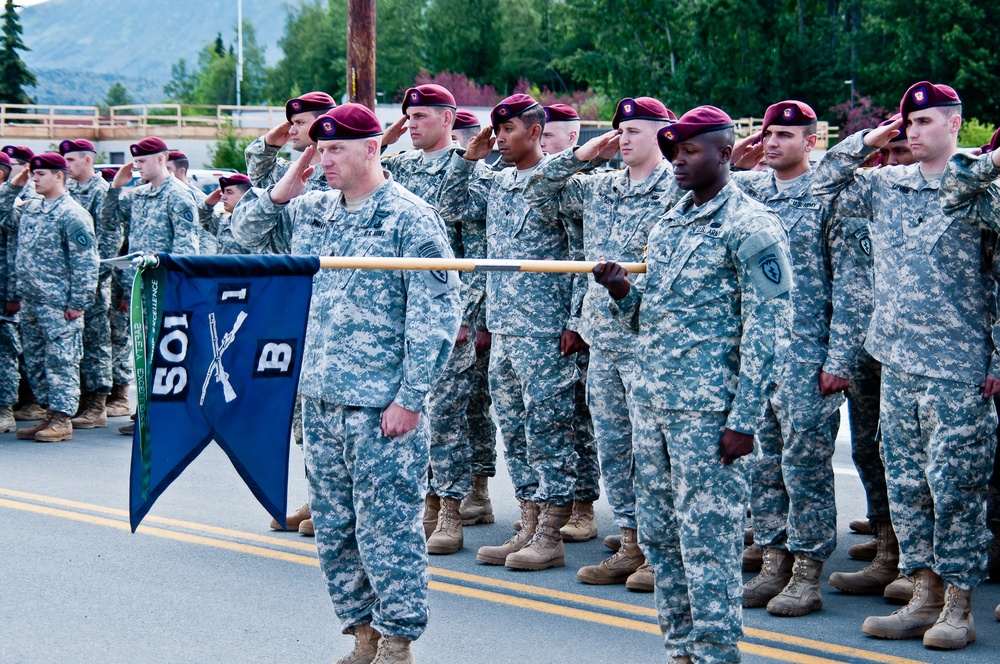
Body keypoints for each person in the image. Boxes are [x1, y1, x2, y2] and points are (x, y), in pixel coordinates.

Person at [231, 103, 462, 664]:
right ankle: (361, 635)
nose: (325, 158)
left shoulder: (410, 218)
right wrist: (292, 176)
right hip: (321, 397)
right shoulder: (314, 211)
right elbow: (243, 232)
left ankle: (397, 641)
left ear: (371, 149)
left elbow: (438, 314)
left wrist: (411, 399)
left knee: (388, 530)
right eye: (320, 147)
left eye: (336, 149)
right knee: (335, 531)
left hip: (381, 404)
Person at [593, 105, 791, 662]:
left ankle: (715, 653)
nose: (678, 161)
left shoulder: (751, 226)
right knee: (661, 538)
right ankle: (680, 651)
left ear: (725, 154)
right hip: (654, 405)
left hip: (710, 417)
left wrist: (745, 419)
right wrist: (621, 295)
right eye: (674, 151)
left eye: (691, 152)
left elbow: (769, 328)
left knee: (709, 543)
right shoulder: (671, 221)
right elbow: (651, 315)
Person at [814, 81, 999, 650]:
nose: (912, 133)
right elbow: (822, 180)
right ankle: (923, 593)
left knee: (957, 489)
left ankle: (959, 607)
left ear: (953, 125)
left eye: (923, 124)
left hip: (957, 369)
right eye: (906, 124)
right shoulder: (884, 184)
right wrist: (870, 139)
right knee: (909, 486)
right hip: (894, 363)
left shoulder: (979, 191)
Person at [524, 96, 680, 590]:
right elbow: (537, 192)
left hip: (652, 342)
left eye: (636, 129)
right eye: (621, 130)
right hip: (604, 342)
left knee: (656, 451)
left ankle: (662, 550)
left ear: (663, 133)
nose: (625, 137)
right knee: (614, 447)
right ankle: (631, 540)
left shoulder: (679, 187)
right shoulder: (601, 188)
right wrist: (582, 155)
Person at [728, 101, 872, 617]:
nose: (772, 142)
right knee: (763, 465)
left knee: (805, 466)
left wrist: (840, 360)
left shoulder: (833, 196)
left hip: (810, 356)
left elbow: (853, 289)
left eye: (786, 135)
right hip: (760, 356)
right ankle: (773, 561)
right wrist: (736, 165)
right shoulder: (750, 193)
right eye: (767, 133)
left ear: (811, 142)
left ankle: (807, 573)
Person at [439, 94, 589, 571]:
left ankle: (551, 531)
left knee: (550, 427)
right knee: (516, 430)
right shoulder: (498, 182)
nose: (499, 136)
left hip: (546, 330)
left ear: (536, 132)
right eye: (495, 128)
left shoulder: (564, 185)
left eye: (508, 129)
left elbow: (582, 253)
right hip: (504, 327)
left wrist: (574, 319)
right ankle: (527, 520)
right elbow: (449, 204)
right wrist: (470, 157)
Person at [379, 84, 487, 555]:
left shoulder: (472, 172)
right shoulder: (398, 169)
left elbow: (482, 251)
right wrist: (388, 133)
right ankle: (422, 503)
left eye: (421, 115)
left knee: (445, 418)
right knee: (408, 416)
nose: (413, 124)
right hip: (398, 316)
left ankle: (450, 511)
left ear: (449, 118)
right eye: (408, 116)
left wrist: (466, 315)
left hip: (445, 315)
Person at [248, 91, 335, 534]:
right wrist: (278, 144)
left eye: (302, 124)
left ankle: (334, 503)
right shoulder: (292, 175)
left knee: (332, 412)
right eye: (293, 124)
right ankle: (318, 495)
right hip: (292, 311)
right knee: (303, 416)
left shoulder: (344, 177)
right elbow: (246, 227)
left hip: (334, 314)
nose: (294, 132)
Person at [532, 102, 600, 544]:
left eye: (548, 138)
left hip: (583, 315)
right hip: (552, 318)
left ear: (572, 140)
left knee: (580, 418)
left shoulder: (590, 187)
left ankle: (584, 505)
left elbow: (579, 257)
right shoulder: (550, 187)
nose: (541, 147)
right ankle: (567, 502)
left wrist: (576, 319)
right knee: (565, 416)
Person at [103, 137, 200, 437]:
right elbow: (110, 219)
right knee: (143, 349)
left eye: (142, 161)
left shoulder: (179, 196)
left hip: (166, 287)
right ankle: (146, 409)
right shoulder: (139, 195)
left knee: (168, 350)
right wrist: (115, 187)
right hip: (141, 285)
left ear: (161, 159)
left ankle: (170, 412)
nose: (137, 167)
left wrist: (177, 288)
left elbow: (187, 249)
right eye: (135, 161)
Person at [1, 154, 98, 442]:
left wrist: (78, 303)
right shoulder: (31, 209)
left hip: (58, 304)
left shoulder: (72, 213)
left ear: (59, 175)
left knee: (61, 360)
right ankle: (49, 413)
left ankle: (63, 419)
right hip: (31, 301)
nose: (34, 179)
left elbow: (86, 262)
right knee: (36, 360)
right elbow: (2, 215)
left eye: (40, 174)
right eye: (32, 174)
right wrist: (14, 185)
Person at [448, 108, 500, 528]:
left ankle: (478, 488)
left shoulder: (482, 181)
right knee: (456, 408)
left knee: (476, 407)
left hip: (475, 314)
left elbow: (480, 258)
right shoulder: (452, 178)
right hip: (452, 312)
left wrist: (477, 319)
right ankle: (460, 488)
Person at [59, 139, 117, 429]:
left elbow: (109, 240)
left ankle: (98, 403)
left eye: (71, 160)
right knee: (76, 343)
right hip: (67, 281)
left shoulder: (101, 191)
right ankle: (80, 398)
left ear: (87, 160)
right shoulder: (67, 189)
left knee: (96, 342)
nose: (66, 165)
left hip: (91, 281)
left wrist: (93, 280)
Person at [0, 152, 20, 432]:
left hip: (3, 289)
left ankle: (5, 409)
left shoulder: (10, 207)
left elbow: (17, 253)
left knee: (4, 351)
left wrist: (13, 293)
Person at [167, 150, 217, 255]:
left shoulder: (198, 198)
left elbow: (207, 236)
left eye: (168, 169)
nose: (165, 173)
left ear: (181, 171)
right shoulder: (167, 195)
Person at [201, 174, 252, 255]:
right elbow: (204, 220)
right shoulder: (224, 221)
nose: (223, 197)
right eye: (223, 192)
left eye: (229, 192)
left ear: (246, 195)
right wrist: (207, 204)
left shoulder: (255, 223)